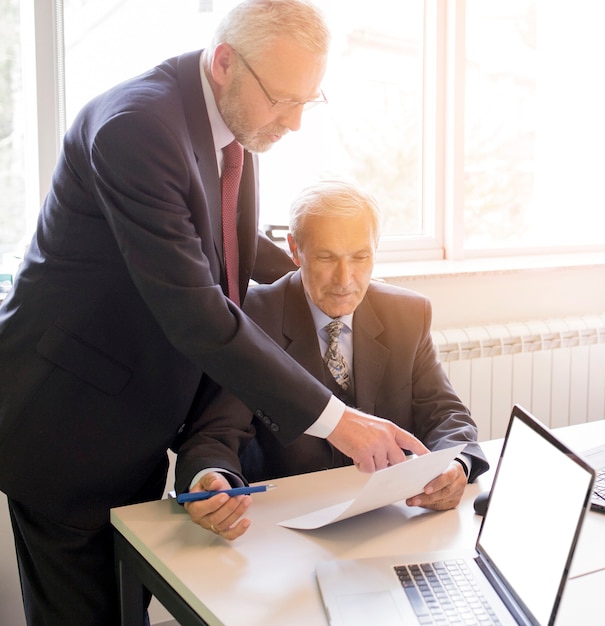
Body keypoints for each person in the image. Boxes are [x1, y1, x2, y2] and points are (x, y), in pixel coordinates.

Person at [0, 2, 427, 624]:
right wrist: (338, 421)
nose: (296, 123)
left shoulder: (232, 121)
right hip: (66, 424)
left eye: (310, 100)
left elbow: (222, 238)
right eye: (283, 100)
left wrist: (313, 269)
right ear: (225, 61)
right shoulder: (136, 129)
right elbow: (196, 309)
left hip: (130, 418)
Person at [178, 180, 489, 536]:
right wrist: (212, 480)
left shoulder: (408, 313)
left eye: (360, 257)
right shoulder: (251, 316)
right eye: (327, 257)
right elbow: (214, 436)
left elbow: (447, 414)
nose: (345, 280)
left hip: (386, 522)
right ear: (295, 249)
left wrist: (457, 465)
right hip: (280, 529)